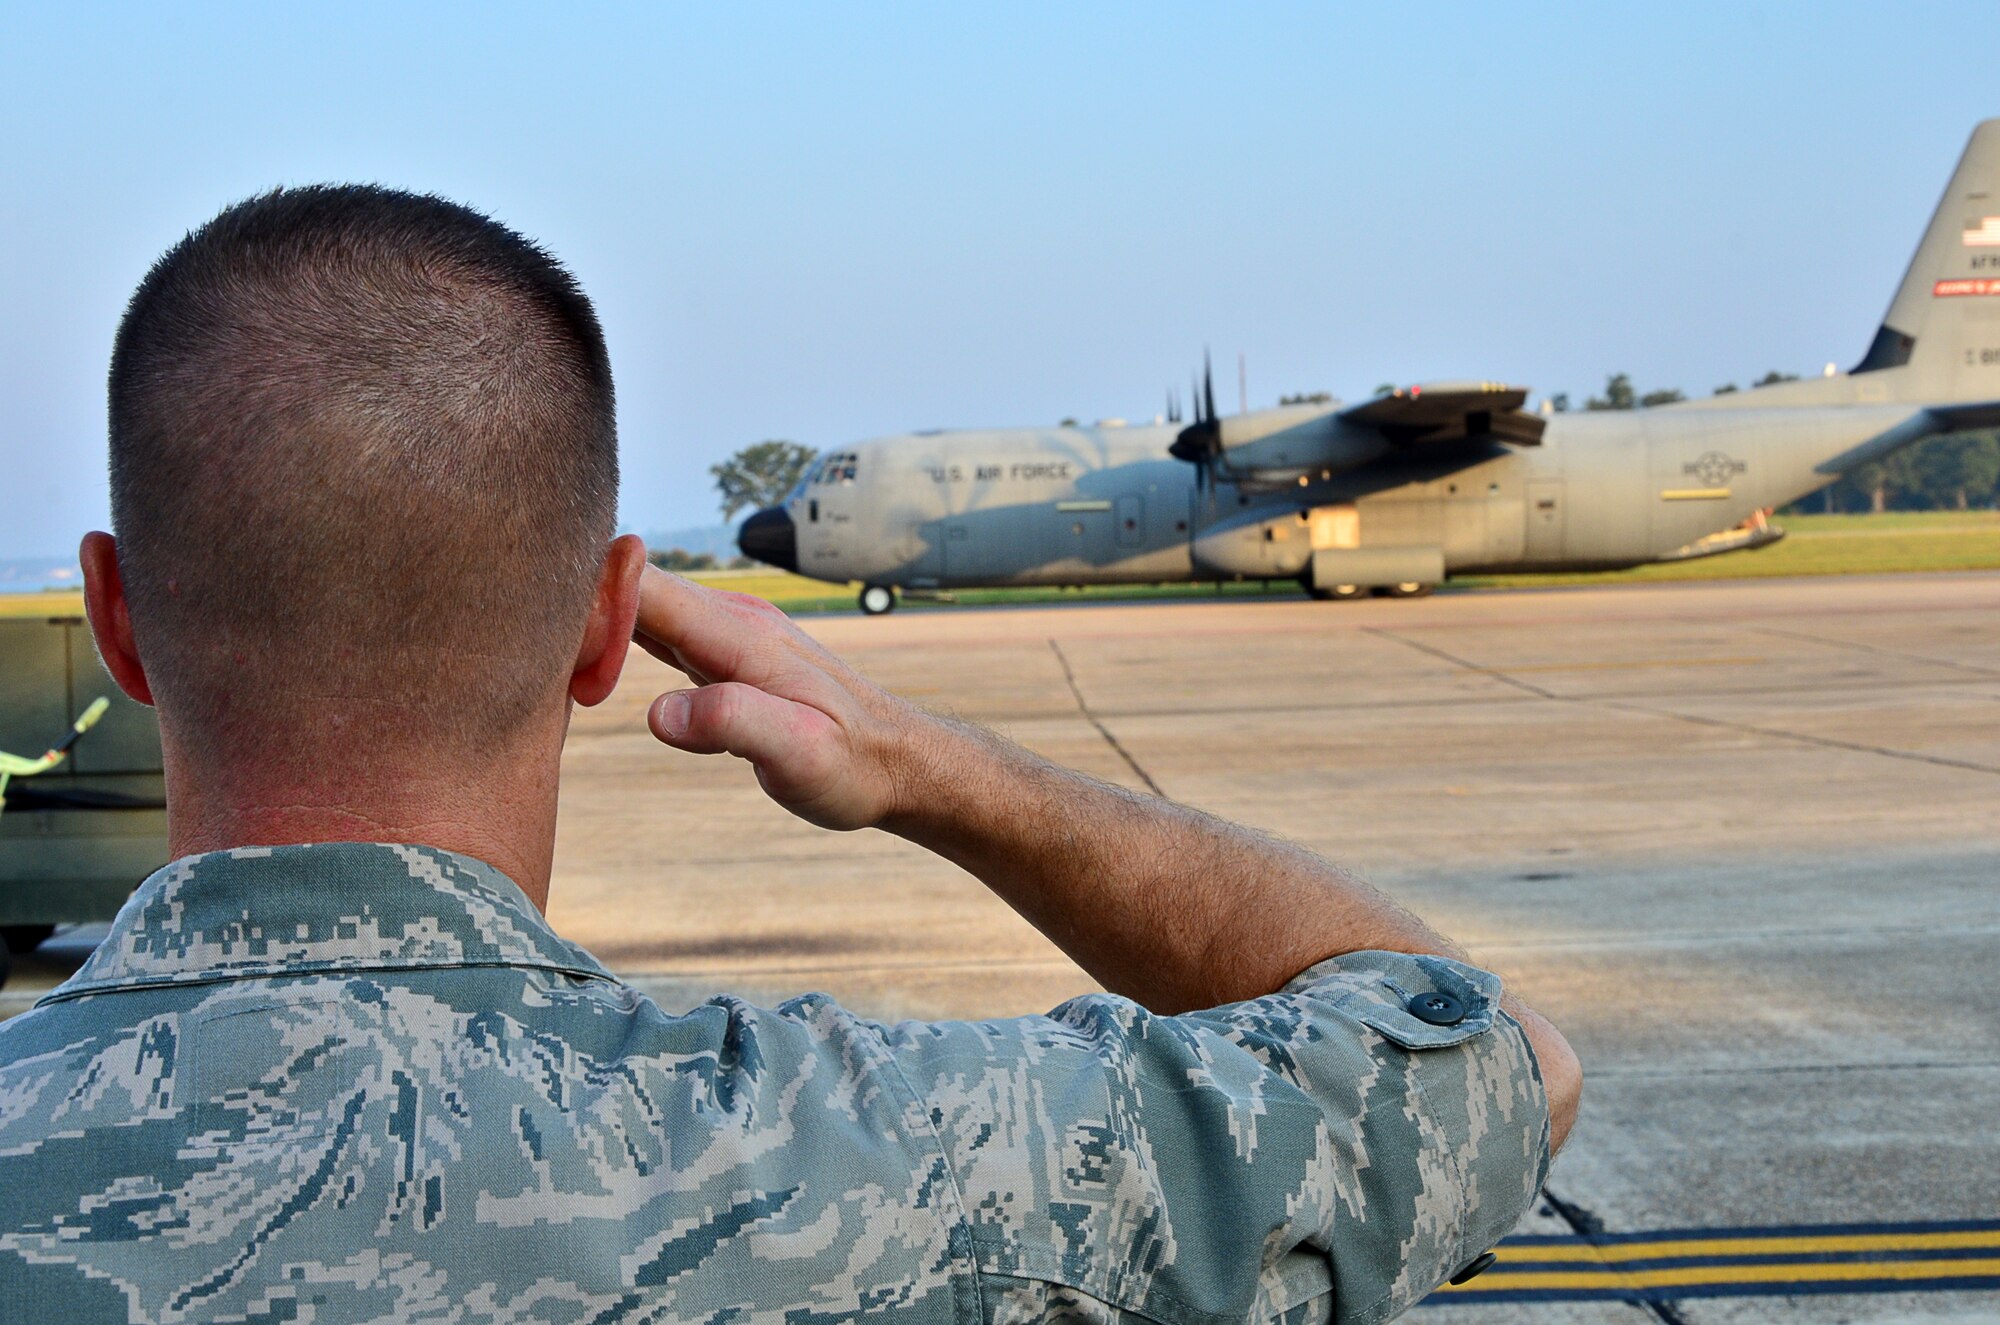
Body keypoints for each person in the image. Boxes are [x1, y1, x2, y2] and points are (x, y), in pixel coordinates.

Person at [0, 186, 1579, 1324]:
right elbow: (1503, 1061)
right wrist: (931, 764)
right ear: (612, 631)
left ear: (119, 622)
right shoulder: (875, 1154)